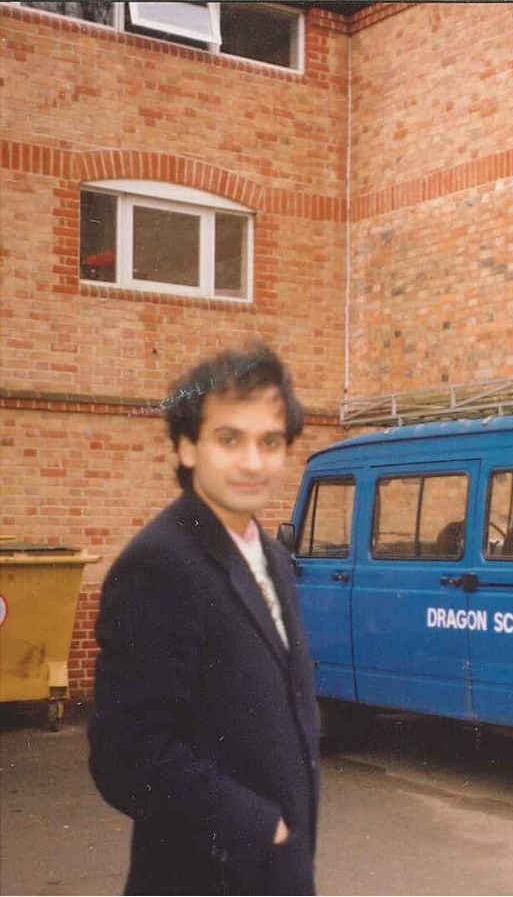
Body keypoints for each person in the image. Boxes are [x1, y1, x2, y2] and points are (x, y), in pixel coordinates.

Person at [89, 343, 320, 895]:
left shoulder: (274, 559)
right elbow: (127, 755)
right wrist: (260, 826)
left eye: (270, 442)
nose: (252, 461)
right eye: (229, 439)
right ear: (187, 447)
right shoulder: (160, 564)